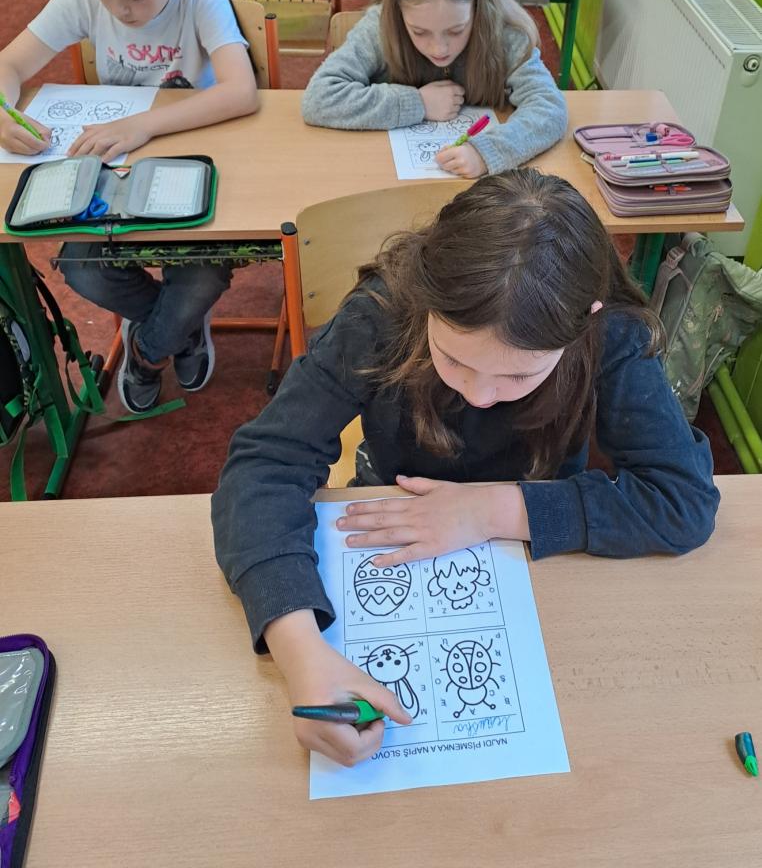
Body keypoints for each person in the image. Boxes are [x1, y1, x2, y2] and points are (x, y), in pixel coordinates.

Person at [211, 168, 720, 768]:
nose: (480, 395)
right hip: (392, 511)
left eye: (519, 374)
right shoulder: (379, 316)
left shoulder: (609, 335)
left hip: (533, 541)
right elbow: (266, 464)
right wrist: (300, 651)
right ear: (426, 299)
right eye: (453, 358)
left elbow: (682, 499)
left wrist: (493, 510)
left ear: (587, 319)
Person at [0, 0, 259, 413]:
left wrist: (144, 125)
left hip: (190, 166)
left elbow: (241, 91)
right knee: (80, 267)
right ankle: (180, 329)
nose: (119, 10)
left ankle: (147, 350)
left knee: (204, 273)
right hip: (112, 175)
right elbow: (9, 64)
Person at [301, 0, 567, 179]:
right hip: (385, 176)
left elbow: (549, 108)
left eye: (456, 30)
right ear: (398, 9)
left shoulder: (505, 34)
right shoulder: (380, 28)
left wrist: (487, 151)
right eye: (419, 32)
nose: (439, 49)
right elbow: (319, 98)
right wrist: (417, 103)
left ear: (478, 7)